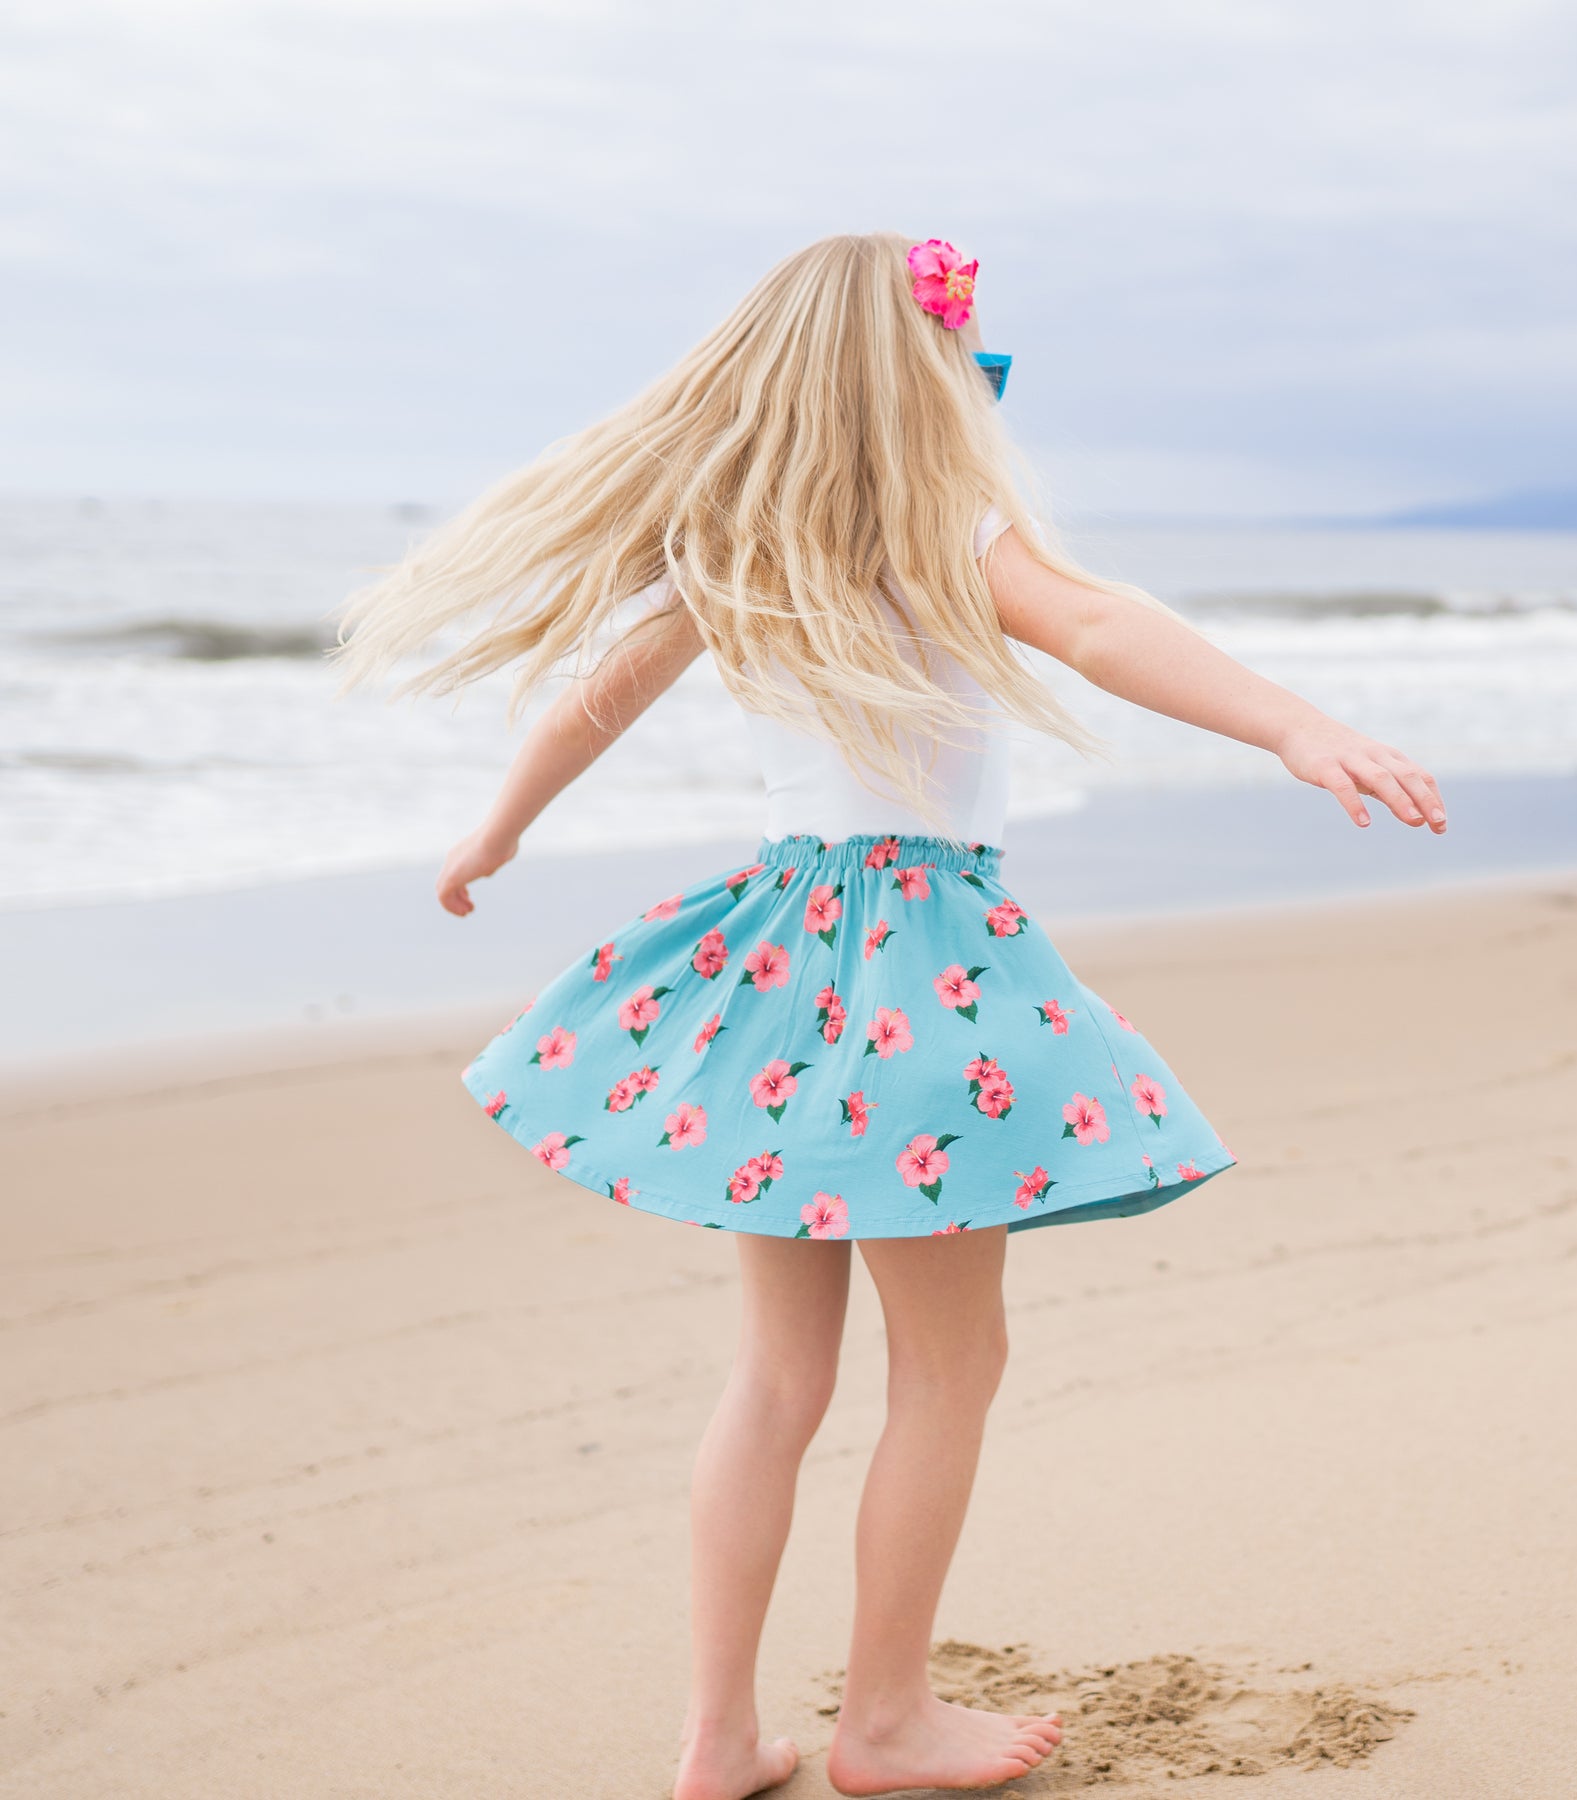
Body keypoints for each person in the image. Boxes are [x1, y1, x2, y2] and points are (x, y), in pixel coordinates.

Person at [331, 231, 1446, 1800]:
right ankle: (886, 1720)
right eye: (960, 342)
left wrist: (497, 830)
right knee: (948, 1367)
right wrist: (1297, 725)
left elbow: (598, 690)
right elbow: (1101, 628)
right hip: (923, 965)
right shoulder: (943, 520)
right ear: (917, 366)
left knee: (774, 1381)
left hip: (777, 962)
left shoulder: (738, 538)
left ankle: (718, 1740)